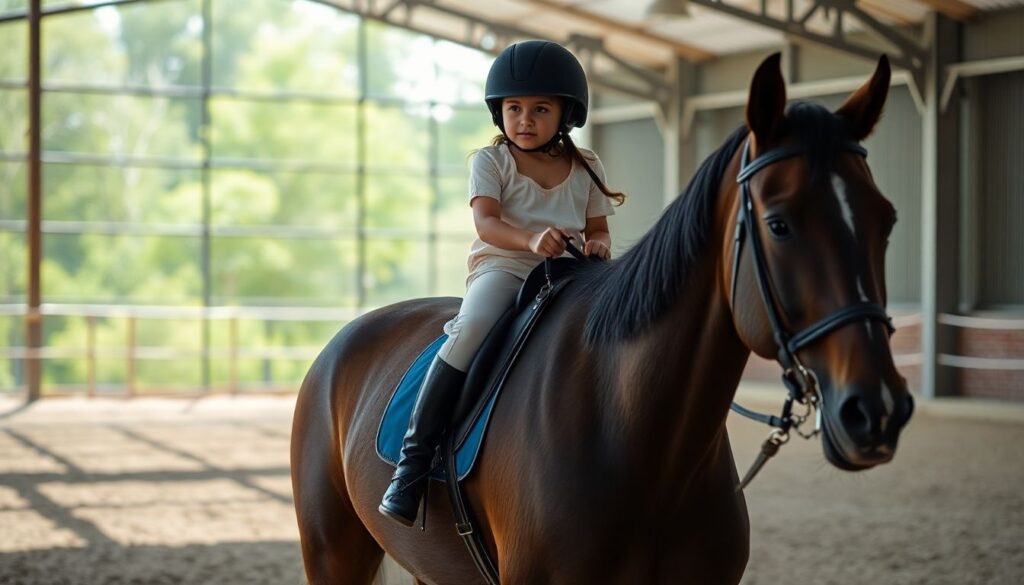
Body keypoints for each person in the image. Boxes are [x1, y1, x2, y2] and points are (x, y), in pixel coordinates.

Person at [379, 39, 625, 527]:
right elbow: (486, 225)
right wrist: (532, 240)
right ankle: (412, 461)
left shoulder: (587, 165)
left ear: (566, 114)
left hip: (572, 273)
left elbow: (598, 229)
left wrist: (598, 245)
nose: (525, 120)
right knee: (471, 327)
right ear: (500, 113)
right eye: (514, 108)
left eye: (539, 109)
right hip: (505, 268)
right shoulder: (490, 163)